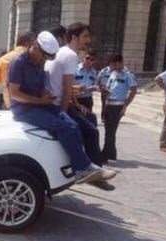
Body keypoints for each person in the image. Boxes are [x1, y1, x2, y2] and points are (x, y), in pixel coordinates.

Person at [7, 31, 106, 184]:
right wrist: (40, 101)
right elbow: (14, 94)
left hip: (39, 104)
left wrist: (46, 94)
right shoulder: (18, 62)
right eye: (45, 56)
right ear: (35, 46)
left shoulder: (39, 63)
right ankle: (82, 167)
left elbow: (41, 86)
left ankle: (80, 166)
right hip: (23, 110)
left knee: (73, 125)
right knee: (64, 127)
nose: (45, 60)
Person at [44, 23, 116, 189]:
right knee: (88, 131)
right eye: (85, 36)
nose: (88, 40)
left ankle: (92, 170)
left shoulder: (61, 52)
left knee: (90, 125)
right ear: (74, 37)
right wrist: (62, 113)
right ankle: (87, 171)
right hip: (57, 104)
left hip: (57, 102)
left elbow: (64, 85)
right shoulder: (70, 55)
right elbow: (67, 87)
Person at [101, 54, 137, 162]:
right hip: (109, 103)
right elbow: (108, 87)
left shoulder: (127, 75)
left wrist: (125, 105)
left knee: (111, 131)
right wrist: (104, 90)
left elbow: (133, 90)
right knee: (108, 131)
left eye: (115, 63)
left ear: (120, 62)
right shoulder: (112, 74)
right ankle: (111, 154)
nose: (114, 66)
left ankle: (105, 155)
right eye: (112, 64)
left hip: (117, 106)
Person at [0, 31, 36, 110]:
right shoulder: (35, 58)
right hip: (32, 105)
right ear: (28, 43)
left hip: (10, 106)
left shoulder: (1, 60)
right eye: (34, 43)